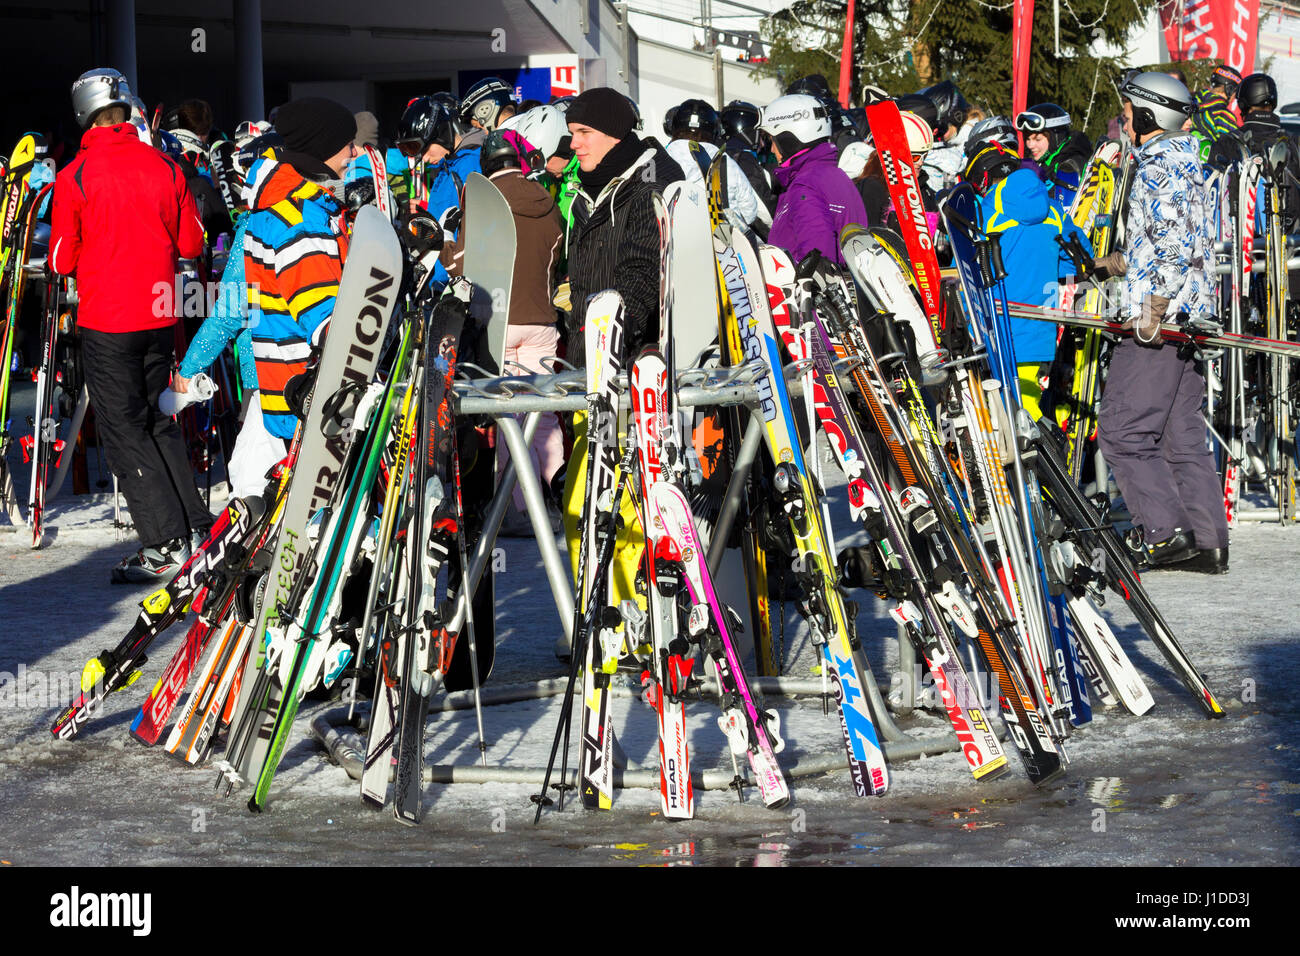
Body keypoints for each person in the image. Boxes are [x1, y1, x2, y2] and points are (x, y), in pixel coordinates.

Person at [50, 67, 212, 583]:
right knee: (159, 421)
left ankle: (163, 543)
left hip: (108, 320)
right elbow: (191, 244)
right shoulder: (164, 165)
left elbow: (59, 258)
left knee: (124, 432)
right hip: (160, 314)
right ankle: (195, 526)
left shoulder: (74, 174)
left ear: (84, 113)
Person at [1087, 72, 1227, 573]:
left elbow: (1169, 248)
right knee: (1178, 432)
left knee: (1123, 431)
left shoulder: (1157, 168)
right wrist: (1116, 264)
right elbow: (1177, 241)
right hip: (1188, 312)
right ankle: (1207, 541)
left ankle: (1165, 534)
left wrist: (1151, 309)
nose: (1123, 118)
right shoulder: (1187, 162)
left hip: (1160, 323)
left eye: (1128, 110)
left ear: (1150, 115)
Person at [557, 87, 664, 652]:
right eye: (571, 134)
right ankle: (597, 614)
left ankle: (636, 619)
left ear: (615, 135)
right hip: (584, 369)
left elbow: (644, 268)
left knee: (623, 510)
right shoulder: (587, 192)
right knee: (581, 506)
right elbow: (584, 263)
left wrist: (618, 324)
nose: (574, 146)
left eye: (584, 134)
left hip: (625, 373)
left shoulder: (643, 189)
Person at [216, 98, 357, 491]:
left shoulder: (280, 208)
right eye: (346, 143)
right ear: (323, 145)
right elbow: (322, 315)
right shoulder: (300, 220)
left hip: (287, 390)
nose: (352, 154)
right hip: (313, 398)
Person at [440, 131, 565, 536]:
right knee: (543, 418)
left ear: (487, 167)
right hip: (543, 321)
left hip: (498, 318)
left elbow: (460, 262)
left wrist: (441, 244)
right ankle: (563, 497)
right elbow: (559, 255)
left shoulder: (484, 199)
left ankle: (518, 511)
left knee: (509, 417)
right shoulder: (546, 201)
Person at [971, 143, 1090, 420]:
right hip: (1038, 333)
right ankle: (1038, 458)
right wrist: (1045, 262)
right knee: (1025, 412)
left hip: (994, 332)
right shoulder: (1054, 211)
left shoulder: (985, 213)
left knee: (998, 422)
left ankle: (1036, 459)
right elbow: (1081, 259)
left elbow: (964, 272)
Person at [760, 93, 869, 267]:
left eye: (774, 140)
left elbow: (817, 262)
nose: (772, 149)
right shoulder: (837, 176)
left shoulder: (805, 186)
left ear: (790, 138)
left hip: (806, 292)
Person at [664, 98, 764, 232]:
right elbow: (749, 212)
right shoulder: (726, 162)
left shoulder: (660, 158)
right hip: (721, 244)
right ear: (714, 131)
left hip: (671, 241)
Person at [1014, 103, 1092, 207]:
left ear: (1056, 138)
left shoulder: (1070, 165)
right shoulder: (1043, 160)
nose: (1030, 145)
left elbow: (1064, 209)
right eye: (1027, 139)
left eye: (1037, 139)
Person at [1190, 66, 1241, 161]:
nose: (1235, 98)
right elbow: (1232, 151)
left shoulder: (1191, 105)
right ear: (1229, 89)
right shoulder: (1223, 115)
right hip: (1210, 170)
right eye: (1236, 93)